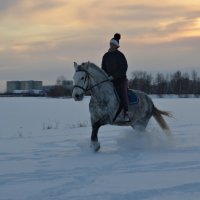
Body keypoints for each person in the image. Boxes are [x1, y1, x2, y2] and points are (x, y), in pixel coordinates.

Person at [101, 33, 129, 121]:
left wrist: (114, 76)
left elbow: (124, 67)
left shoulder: (120, 55)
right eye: (110, 43)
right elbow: (103, 68)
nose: (111, 45)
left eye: (113, 44)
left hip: (121, 80)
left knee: (123, 94)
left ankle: (126, 113)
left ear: (116, 46)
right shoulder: (105, 56)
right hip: (109, 80)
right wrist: (105, 76)